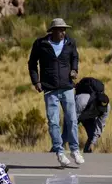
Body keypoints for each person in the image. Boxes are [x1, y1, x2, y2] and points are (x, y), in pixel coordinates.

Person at [28, 18, 84, 167]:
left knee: (72, 119)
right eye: (60, 29)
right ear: (52, 31)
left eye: (64, 29)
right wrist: (36, 81)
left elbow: (75, 57)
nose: (63, 32)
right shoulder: (41, 44)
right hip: (49, 89)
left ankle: (74, 150)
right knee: (54, 122)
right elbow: (32, 63)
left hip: (67, 87)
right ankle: (59, 152)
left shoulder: (70, 43)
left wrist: (74, 69)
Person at [69, 77, 110, 153]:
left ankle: (87, 156)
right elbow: (72, 121)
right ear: (95, 102)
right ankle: (54, 153)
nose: (101, 111)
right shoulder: (82, 101)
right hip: (78, 111)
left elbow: (100, 125)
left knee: (92, 136)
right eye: (99, 108)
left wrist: (93, 143)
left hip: (89, 116)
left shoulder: (106, 107)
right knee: (66, 134)